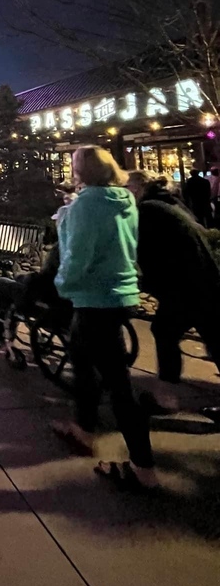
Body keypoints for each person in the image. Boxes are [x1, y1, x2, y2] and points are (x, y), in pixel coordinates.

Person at [50, 146, 157, 491]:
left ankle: (143, 467)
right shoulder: (126, 201)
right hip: (120, 292)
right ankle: (83, 428)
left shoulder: (84, 205)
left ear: (82, 171)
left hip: (94, 298)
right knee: (83, 364)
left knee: (118, 385)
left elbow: (78, 255)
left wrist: (62, 283)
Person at [125, 170, 220, 414]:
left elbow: (144, 253)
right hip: (204, 278)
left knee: (165, 331)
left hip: (185, 285)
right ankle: (165, 394)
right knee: (213, 337)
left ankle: (165, 397)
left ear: (135, 189)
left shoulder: (148, 211)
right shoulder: (170, 203)